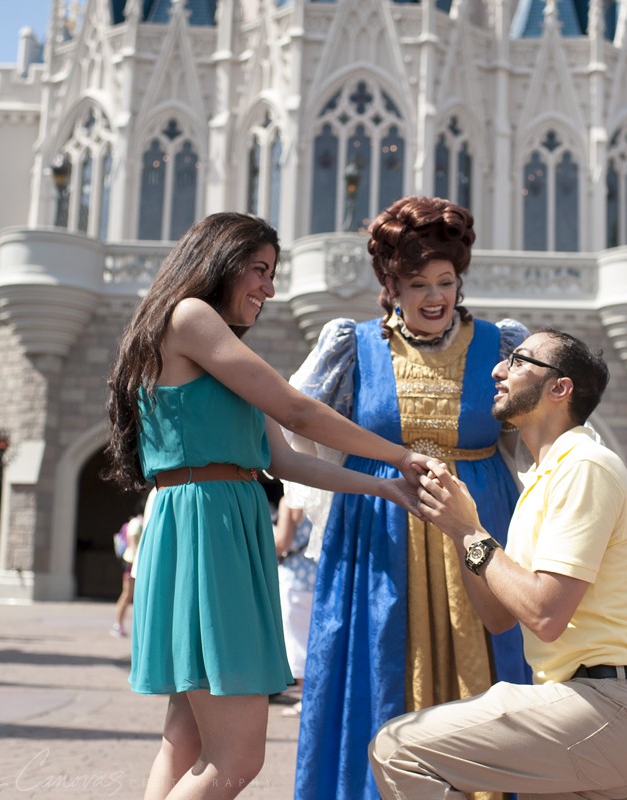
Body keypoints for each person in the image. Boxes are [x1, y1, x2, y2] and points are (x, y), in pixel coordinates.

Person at [103, 211, 428, 800]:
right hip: (208, 531)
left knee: (185, 744)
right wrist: (402, 456)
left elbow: (286, 462)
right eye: (258, 270)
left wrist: (385, 485)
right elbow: (298, 413)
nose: (270, 289)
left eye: (272, 273)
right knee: (237, 759)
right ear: (218, 261)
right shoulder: (191, 316)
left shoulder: (210, 345)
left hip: (211, 524)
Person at [287, 196, 529, 800]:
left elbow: (545, 433)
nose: (433, 296)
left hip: (480, 523)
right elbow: (300, 425)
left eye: (445, 281)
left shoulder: (503, 346)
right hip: (378, 531)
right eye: (416, 282)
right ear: (389, 284)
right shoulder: (351, 346)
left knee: (494, 666)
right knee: (377, 663)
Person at [370, 329, 627, 799]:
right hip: (590, 713)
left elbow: (546, 615)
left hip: (604, 706)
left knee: (398, 749)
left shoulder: (584, 464)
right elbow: (497, 617)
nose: (497, 370)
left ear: (560, 388)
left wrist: (472, 531)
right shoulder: (541, 481)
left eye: (518, 360)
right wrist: (456, 528)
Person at [273, 494, 315, 718]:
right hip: (320, 577)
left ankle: (306, 697)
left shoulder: (290, 499)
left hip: (294, 578)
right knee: (315, 640)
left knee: (298, 643)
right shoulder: (327, 493)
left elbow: (282, 542)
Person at [112, 494, 149, 638]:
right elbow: (133, 545)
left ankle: (120, 625)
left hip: (133, 563)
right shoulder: (136, 523)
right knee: (127, 595)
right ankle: (118, 625)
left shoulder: (139, 522)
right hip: (132, 563)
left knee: (131, 595)